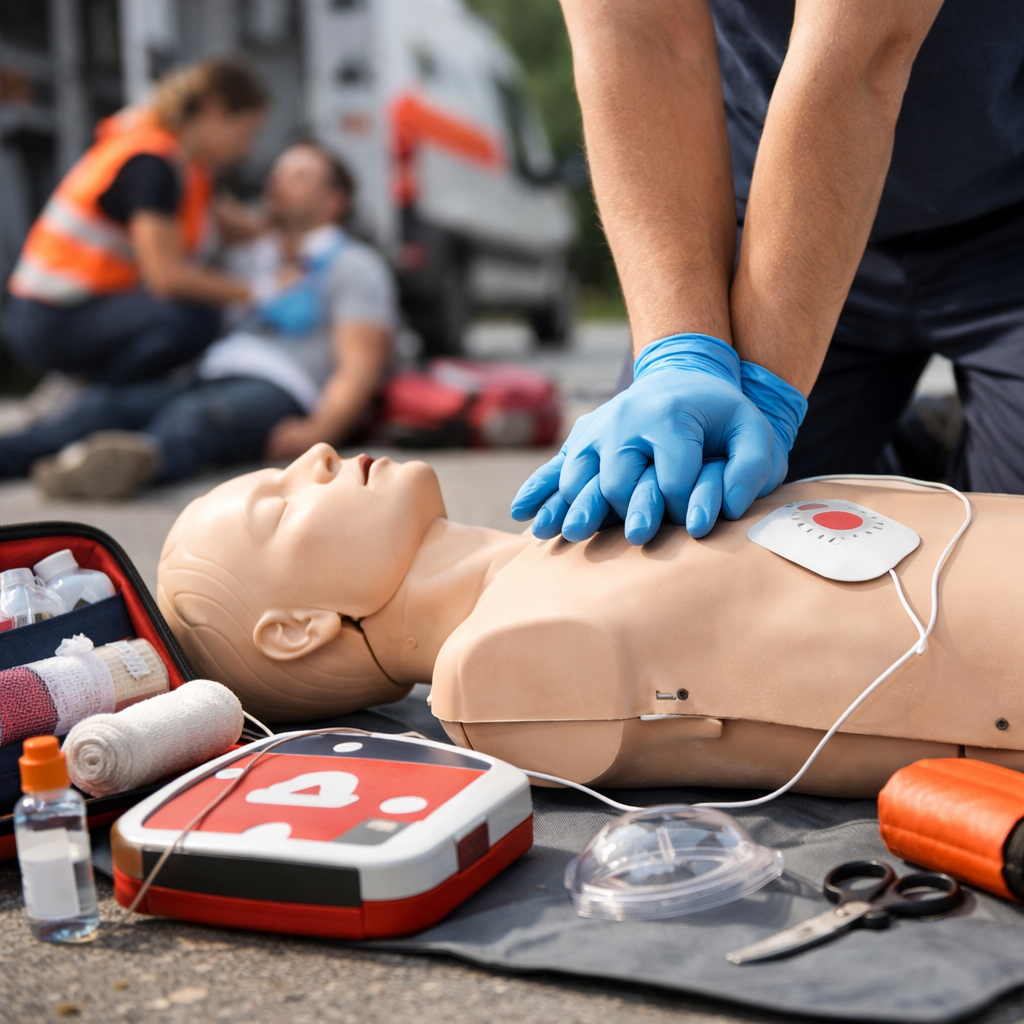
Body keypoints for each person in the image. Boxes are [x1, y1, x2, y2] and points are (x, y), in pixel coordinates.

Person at [157, 445, 1024, 797]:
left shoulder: (574, 513)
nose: (314, 456)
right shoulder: (496, 673)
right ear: (299, 627)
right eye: (280, 506)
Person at [511, 1, 1024, 547]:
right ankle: (903, 449)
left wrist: (763, 396)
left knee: (1002, 566)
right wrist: (681, 354)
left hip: (1006, 213)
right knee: (676, 538)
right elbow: (638, 31)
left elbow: (860, 53)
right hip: (776, 214)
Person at [0, 144, 397, 498]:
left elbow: (360, 364)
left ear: (334, 202)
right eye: (278, 172)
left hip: (282, 384)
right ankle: (15, 455)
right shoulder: (253, 259)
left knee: (196, 418)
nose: (278, 181)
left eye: (299, 176)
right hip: (212, 369)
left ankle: (130, 467)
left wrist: (321, 430)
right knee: (106, 405)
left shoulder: (354, 266)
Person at [3, 59, 269, 388]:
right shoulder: (151, 164)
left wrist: (293, 228)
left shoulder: (184, 161)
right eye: (246, 132)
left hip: (74, 310)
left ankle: (94, 395)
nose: (247, 148)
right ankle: (96, 402)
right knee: (189, 321)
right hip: (54, 317)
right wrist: (261, 292)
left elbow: (233, 223)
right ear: (216, 111)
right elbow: (167, 278)